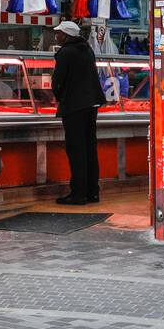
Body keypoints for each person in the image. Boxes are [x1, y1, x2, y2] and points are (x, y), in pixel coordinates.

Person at [52, 20, 106, 205]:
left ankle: (78, 194)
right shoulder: (87, 50)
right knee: (90, 148)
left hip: (74, 106)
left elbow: (57, 81)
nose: (56, 36)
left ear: (66, 36)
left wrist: (58, 97)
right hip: (91, 105)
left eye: (58, 33)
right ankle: (93, 192)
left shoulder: (65, 52)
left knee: (76, 150)